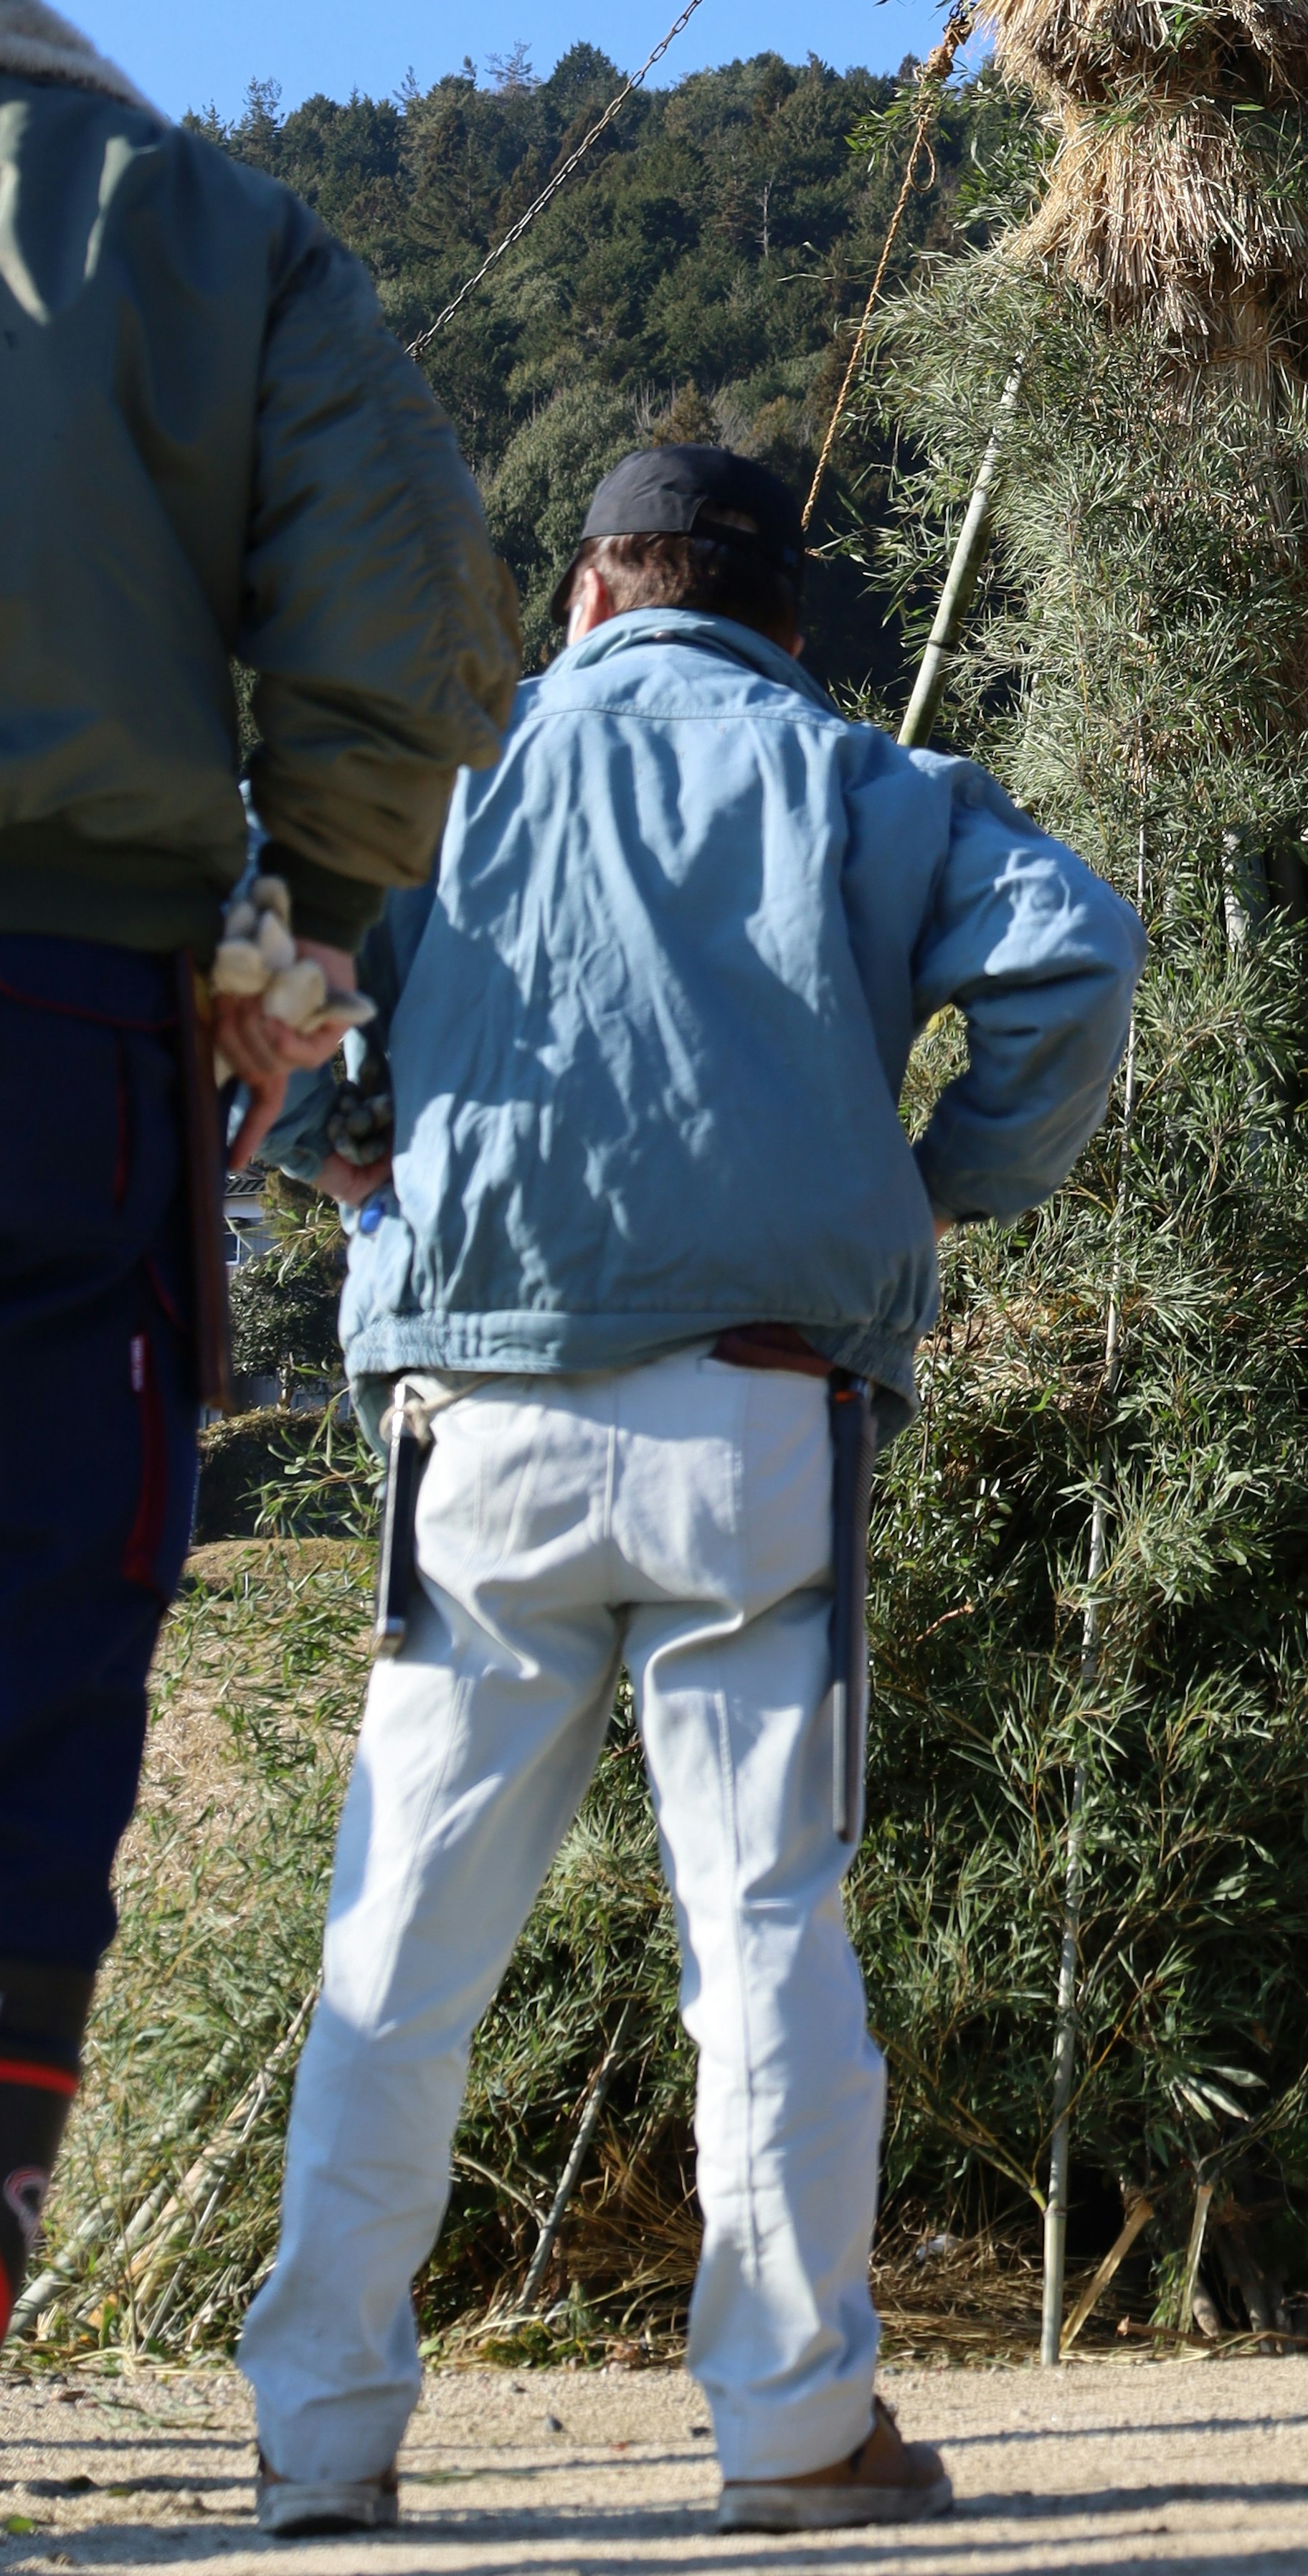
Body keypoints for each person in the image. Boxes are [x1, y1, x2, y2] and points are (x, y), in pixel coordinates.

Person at [237, 444, 1145, 2539]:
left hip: (477, 1424)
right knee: (762, 1932)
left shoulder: (445, 775)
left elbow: (243, 952)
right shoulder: (851, 773)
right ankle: (795, 2425)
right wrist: (934, 1189)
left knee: (401, 1939)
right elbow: (1070, 958)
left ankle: (321, 2437)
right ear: (781, 624)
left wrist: (334, 1144)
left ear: (583, 599)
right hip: (760, 1411)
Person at [0, 0, 517, 2338]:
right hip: (66, 1020)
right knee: (32, 1635)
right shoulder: (200, 227)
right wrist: (291, 940)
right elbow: (400, 599)